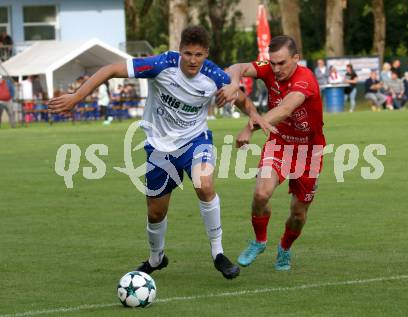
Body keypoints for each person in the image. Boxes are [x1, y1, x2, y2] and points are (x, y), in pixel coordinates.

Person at [49, 26, 270, 279]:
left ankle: (218, 254)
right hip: (159, 148)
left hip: (195, 141)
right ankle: (156, 258)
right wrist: (76, 98)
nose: (193, 60)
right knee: (155, 212)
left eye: (198, 55)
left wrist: (252, 120)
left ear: (206, 54)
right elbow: (110, 69)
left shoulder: (214, 76)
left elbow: (242, 100)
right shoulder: (161, 65)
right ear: (180, 51)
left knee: (204, 183)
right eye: (187, 54)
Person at [217, 35, 326, 271]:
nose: (276, 69)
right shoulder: (269, 69)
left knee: (298, 215)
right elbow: (237, 67)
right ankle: (259, 241)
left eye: (282, 63)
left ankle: (284, 249)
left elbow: (285, 109)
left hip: (309, 153)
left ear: (296, 59)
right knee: (261, 194)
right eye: (272, 63)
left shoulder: (305, 80)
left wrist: (249, 127)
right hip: (279, 143)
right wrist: (235, 82)